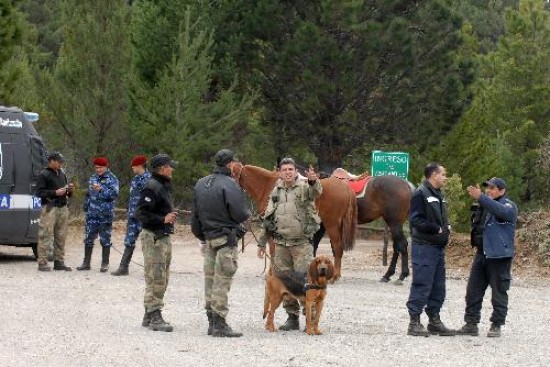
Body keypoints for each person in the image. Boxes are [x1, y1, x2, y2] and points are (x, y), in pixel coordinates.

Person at [257, 157, 322, 331]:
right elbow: (268, 218)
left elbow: (316, 192)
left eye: (290, 169)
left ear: (295, 171)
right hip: (281, 245)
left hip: (301, 244)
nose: (287, 172)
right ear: (279, 172)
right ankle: (291, 318)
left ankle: (311, 320)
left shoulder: (304, 187)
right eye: (284, 169)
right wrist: (262, 243)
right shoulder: (276, 192)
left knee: (307, 281)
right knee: (284, 282)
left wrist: (313, 180)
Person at [191, 149, 251, 338]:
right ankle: (220, 323)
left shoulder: (201, 184)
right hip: (225, 240)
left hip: (208, 238)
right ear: (229, 164)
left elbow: (195, 217)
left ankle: (211, 321)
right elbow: (241, 213)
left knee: (209, 280)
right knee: (222, 281)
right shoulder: (230, 184)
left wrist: (202, 236)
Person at [456, 177, 518, 338]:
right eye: (487, 187)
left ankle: (496, 324)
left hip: (499, 257)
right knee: (473, 291)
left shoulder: (508, 206)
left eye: (492, 188)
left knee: (499, 292)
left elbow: (501, 212)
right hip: (481, 254)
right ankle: (471, 324)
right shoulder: (483, 205)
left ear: (502, 191)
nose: (488, 190)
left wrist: (481, 198)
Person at [406, 162, 454, 337]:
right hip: (424, 247)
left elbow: (439, 217)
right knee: (422, 283)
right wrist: (436, 229)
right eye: (443, 174)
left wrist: (447, 226)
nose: (445, 177)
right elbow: (415, 220)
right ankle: (414, 323)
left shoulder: (439, 194)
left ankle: (434, 321)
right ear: (434, 175)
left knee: (438, 286)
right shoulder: (420, 193)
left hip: (438, 248)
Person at [136, 154, 177, 332]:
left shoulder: (162, 185)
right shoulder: (152, 186)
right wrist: (163, 219)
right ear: (162, 168)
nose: (172, 169)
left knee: (161, 276)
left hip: (162, 236)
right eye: (170, 166)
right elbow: (141, 214)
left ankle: (148, 313)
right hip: (154, 237)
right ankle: (154, 315)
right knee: (156, 276)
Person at [76, 157, 119, 272]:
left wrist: (101, 190)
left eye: (100, 167)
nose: (98, 170)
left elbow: (114, 194)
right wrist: (86, 207)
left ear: (106, 167)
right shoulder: (93, 178)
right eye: (96, 168)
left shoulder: (112, 179)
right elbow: (88, 195)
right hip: (92, 214)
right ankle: (86, 263)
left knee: (105, 239)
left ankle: (105, 264)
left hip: (105, 215)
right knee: (88, 238)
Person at [35, 152, 75, 272]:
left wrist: (70, 190)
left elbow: (68, 193)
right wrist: (54, 193)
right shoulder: (44, 174)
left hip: (62, 208)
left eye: (61, 161)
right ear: (51, 161)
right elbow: (39, 193)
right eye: (58, 161)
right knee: (45, 235)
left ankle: (59, 262)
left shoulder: (62, 173)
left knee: (61, 235)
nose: (61, 163)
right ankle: (42, 263)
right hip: (49, 208)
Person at [112, 155, 151, 276]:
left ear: (140, 166)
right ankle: (123, 267)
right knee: (129, 241)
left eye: (133, 166)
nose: (132, 168)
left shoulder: (149, 180)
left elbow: (150, 199)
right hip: (133, 216)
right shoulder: (135, 179)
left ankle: (151, 270)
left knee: (148, 243)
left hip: (144, 217)